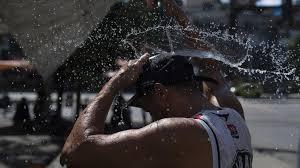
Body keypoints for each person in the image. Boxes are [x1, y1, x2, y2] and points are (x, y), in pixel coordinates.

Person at [60, 54, 252, 168]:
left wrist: (115, 83)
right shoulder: (234, 116)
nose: (150, 116)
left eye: (147, 105)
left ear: (160, 92)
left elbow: (75, 152)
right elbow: (209, 64)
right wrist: (176, 13)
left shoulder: (177, 132)